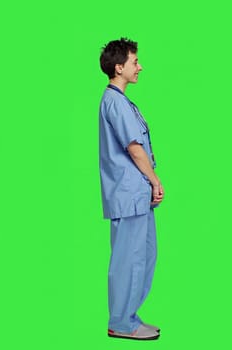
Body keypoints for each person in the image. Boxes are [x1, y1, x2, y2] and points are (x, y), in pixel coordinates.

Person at [98, 38, 164, 340]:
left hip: (136, 196)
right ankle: (121, 323)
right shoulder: (113, 101)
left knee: (145, 256)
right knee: (129, 260)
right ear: (119, 67)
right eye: (135, 62)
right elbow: (134, 148)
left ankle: (130, 316)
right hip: (128, 194)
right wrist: (155, 180)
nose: (140, 67)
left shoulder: (123, 102)